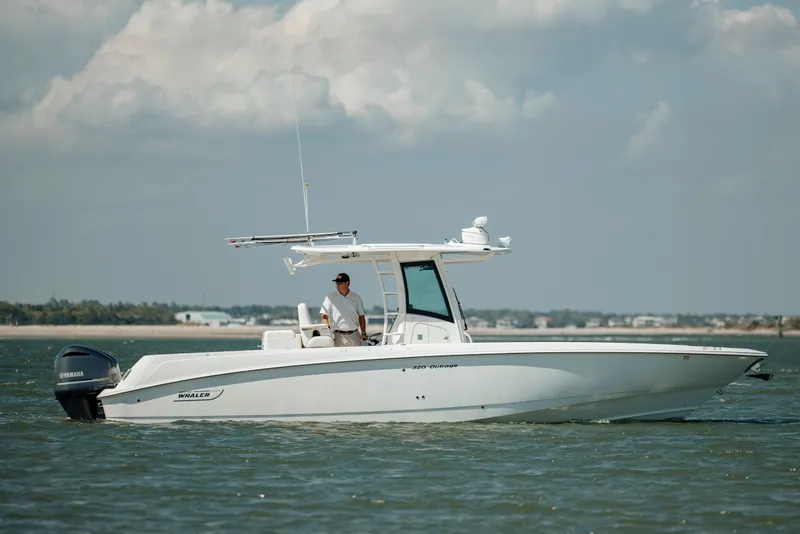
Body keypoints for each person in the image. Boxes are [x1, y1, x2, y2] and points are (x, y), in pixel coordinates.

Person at [320, 272, 367, 347]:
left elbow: (361, 316)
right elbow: (324, 314)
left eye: (339, 283)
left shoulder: (356, 297)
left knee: (355, 357)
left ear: (347, 283)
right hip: (337, 335)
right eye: (336, 283)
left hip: (354, 335)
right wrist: (326, 325)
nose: (337, 285)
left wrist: (363, 333)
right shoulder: (330, 297)